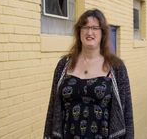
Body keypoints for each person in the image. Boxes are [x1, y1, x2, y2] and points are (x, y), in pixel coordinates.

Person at [43, 9, 134, 139]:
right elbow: (52, 109)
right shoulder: (63, 65)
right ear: (79, 31)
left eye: (95, 28)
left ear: (103, 33)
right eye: (85, 27)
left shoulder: (116, 67)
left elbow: (127, 113)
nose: (89, 32)